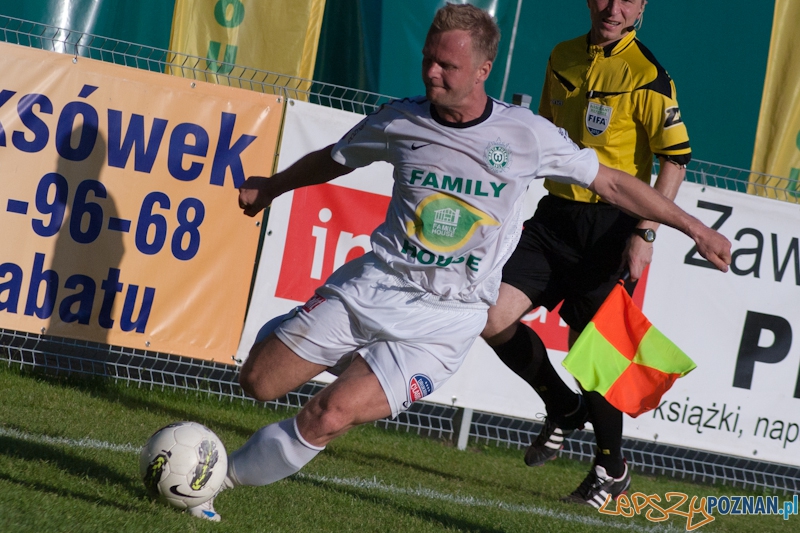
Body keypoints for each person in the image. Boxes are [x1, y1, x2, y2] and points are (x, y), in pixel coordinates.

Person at [186, 3, 729, 522]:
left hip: (445, 322)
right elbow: (334, 160)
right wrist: (272, 187)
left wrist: (693, 229)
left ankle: (213, 482)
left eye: (447, 65)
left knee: (330, 413)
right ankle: (347, 354)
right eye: (429, 59)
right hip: (376, 286)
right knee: (258, 382)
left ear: (483, 70)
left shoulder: (525, 133)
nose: (432, 72)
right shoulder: (401, 119)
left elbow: (614, 182)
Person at [481, 0, 692, 508]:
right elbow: (543, 132)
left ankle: (611, 468)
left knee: (592, 355)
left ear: (642, 7)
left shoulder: (650, 76)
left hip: (611, 227)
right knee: (490, 316)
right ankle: (562, 405)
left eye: (627, 0)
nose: (613, 8)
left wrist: (645, 233)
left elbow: (676, 160)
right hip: (554, 217)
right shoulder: (563, 55)